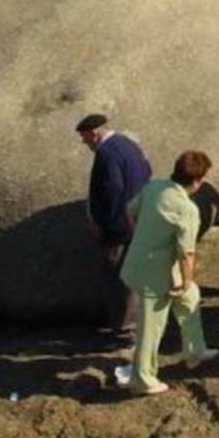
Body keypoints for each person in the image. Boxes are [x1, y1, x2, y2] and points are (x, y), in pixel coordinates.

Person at [119, 150, 217, 396]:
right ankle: (143, 379)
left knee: (190, 297)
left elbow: (129, 211)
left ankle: (195, 350)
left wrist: (142, 236)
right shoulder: (187, 209)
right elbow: (187, 253)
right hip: (155, 274)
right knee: (151, 327)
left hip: (141, 261)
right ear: (197, 180)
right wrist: (186, 281)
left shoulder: (154, 187)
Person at [77, 114, 153, 343]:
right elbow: (147, 172)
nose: (84, 142)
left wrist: (103, 225)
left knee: (118, 276)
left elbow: (113, 189)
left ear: (94, 133)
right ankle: (135, 325)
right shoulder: (128, 144)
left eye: (84, 137)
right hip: (138, 220)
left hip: (119, 227)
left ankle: (124, 330)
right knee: (133, 274)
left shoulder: (106, 153)